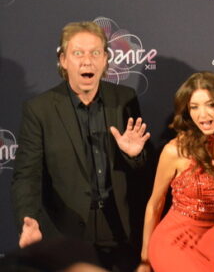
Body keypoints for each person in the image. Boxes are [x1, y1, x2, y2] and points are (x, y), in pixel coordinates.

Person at [11, 21, 150, 271]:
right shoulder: (39, 109)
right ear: (63, 60)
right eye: (78, 53)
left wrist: (135, 155)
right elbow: (26, 176)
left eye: (95, 53)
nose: (88, 61)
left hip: (120, 228)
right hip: (65, 230)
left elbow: (143, 172)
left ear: (105, 59)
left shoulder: (125, 99)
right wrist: (28, 219)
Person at [137, 72, 214, 272]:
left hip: (209, 250)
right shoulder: (175, 150)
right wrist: (144, 260)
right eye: (194, 107)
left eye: (210, 104)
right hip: (173, 245)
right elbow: (155, 204)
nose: (203, 114)